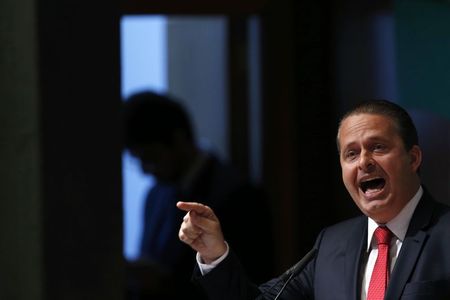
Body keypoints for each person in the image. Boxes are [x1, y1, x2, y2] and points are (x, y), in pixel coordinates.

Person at [177, 99, 450, 299]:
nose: (364, 162)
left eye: (378, 147)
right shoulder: (330, 245)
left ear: (413, 158)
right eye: (351, 154)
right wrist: (213, 254)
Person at [122, 91, 275, 299]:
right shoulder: (156, 194)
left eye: (151, 157)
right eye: (138, 159)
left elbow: (254, 282)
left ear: (178, 139)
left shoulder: (238, 196)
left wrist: (163, 281)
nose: (145, 170)